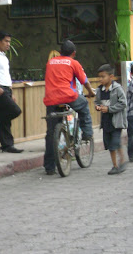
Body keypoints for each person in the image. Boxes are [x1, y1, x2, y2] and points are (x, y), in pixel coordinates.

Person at [43, 40, 95, 175]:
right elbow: (84, 81)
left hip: (51, 99)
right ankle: (87, 134)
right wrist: (90, 92)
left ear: (60, 52)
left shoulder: (50, 62)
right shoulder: (73, 63)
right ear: (74, 53)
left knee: (51, 132)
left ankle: (49, 167)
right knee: (83, 106)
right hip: (68, 96)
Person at [95, 64, 128, 175]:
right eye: (99, 77)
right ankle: (115, 165)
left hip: (116, 121)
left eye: (103, 76)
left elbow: (123, 103)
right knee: (109, 144)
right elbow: (97, 101)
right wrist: (98, 107)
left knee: (115, 142)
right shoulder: (100, 90)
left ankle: (121, 160)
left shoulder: (117, 89)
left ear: (111, 77)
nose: (101, 79)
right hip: (106, 121)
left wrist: (109, 109)